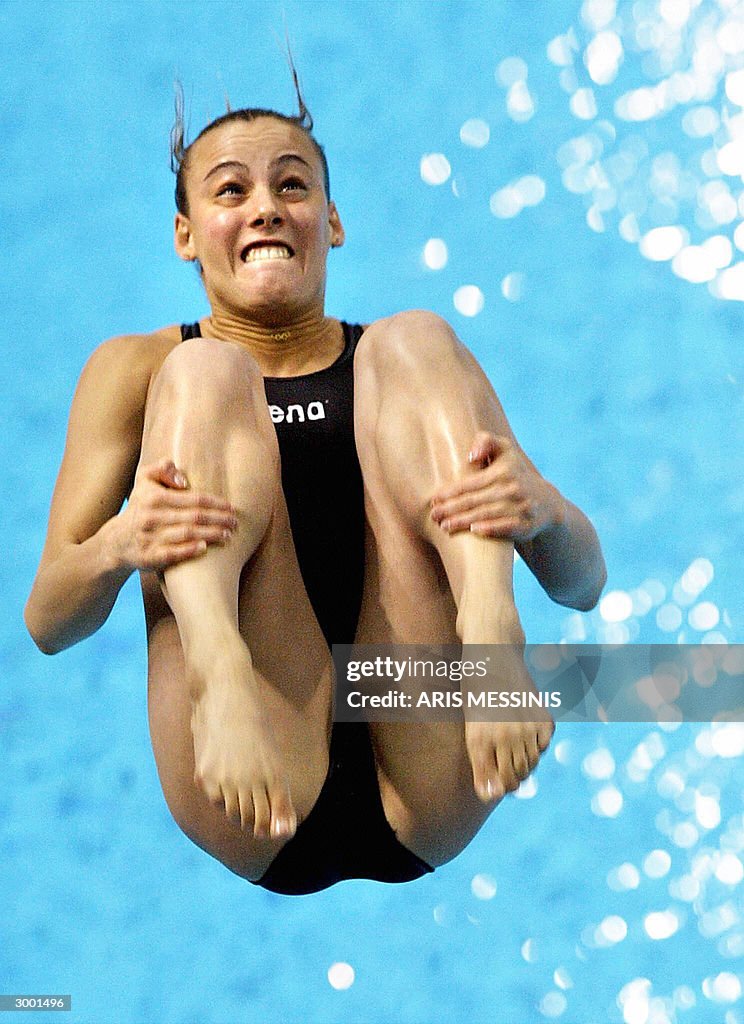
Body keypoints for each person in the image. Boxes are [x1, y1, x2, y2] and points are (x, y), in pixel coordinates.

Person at [25, 81, 606, 896]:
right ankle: (216, 669)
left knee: (415, 336)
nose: (265, 207)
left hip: (425, 723)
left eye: (292, 184)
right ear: (187, 235)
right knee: (202, 370)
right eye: (231, 190)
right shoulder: (134, 370)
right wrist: (123, 543)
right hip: (244, 758)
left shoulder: (404, 374)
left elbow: (583, 584)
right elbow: (49, 622)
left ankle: (489, 632)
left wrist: (542, 508)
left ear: (331, 222)